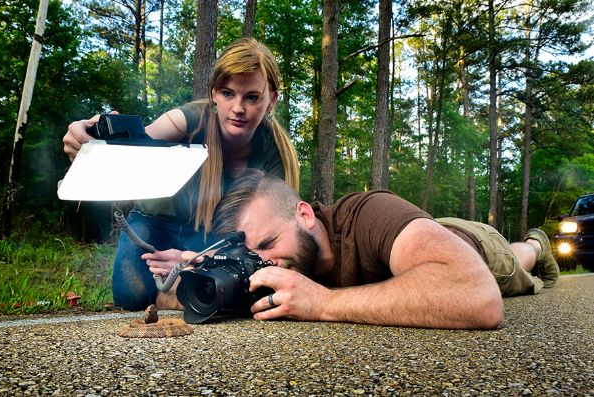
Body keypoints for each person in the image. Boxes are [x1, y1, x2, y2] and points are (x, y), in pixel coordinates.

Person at [62, 39, 300, 311]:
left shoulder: (274, 153)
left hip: (211, 231)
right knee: (131, 294)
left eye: (252, 97)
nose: (237, 108)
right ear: (213, 93)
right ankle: (171, 293)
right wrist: (91, 139)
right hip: (154, 221)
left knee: (231, 282)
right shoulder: (191, 119)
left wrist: (202, 258)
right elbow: (140, 140)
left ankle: (174, 295)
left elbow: (270, 231)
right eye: (227, 93)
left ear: (272, 100)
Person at [203, 169, 558, 330]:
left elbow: (478, 297)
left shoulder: (366, 214)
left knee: (515, 261)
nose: (262, 265)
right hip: (419, 237)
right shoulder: (275, 260)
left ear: (305, 215)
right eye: (249, 255)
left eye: (267, 244)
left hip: (476, 244)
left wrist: (324, 303)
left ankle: (536, 243)